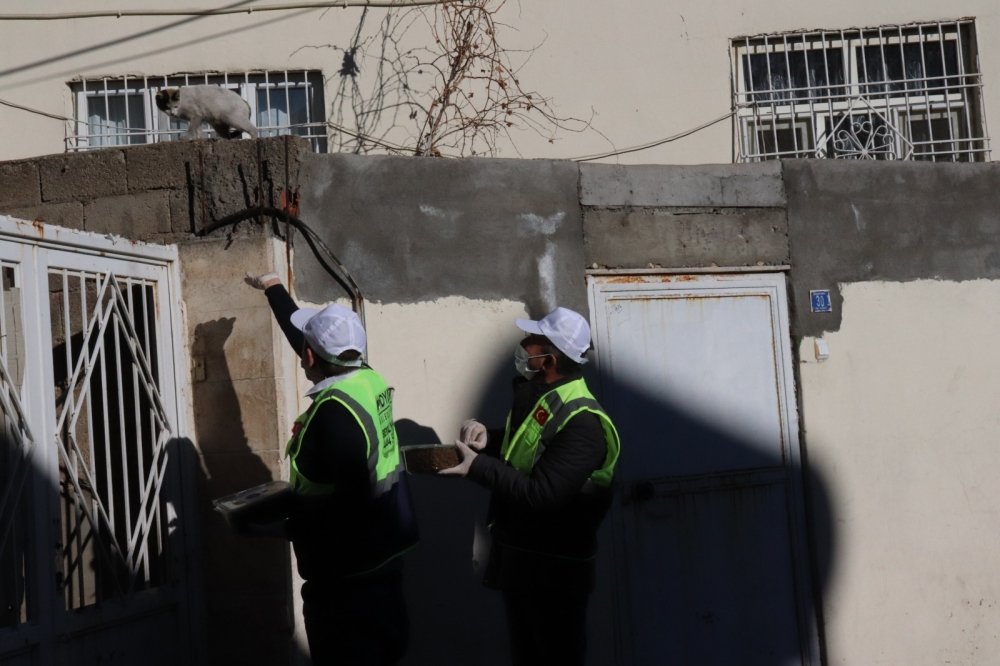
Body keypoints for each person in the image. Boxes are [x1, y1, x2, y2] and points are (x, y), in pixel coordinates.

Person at [244, 272, 418, 666]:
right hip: (380, 565)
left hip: (346, 585)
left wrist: (271, 527)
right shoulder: (366, 379)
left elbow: (344, 512)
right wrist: (273, 287)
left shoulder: (335, 416)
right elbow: (308, 344)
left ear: (310, 358)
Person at [440, 306, 621, 666]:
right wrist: (486, 442)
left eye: (532, 341)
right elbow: (527, 450)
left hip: (555, 577)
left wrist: (476, 467)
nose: (523, 344)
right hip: (525, 563)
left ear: (549, 358)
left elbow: (543, 493)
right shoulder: (542, 393)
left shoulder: (583, 423)